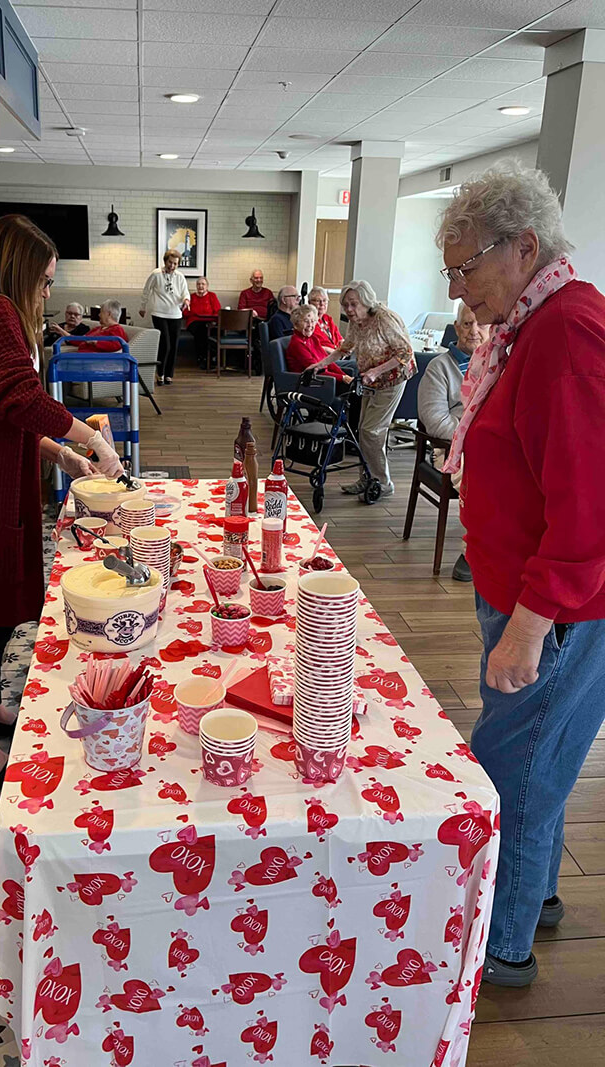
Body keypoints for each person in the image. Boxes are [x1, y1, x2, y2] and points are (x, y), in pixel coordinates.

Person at [436, 162, 605, 988]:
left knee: (511, 769)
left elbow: (588, 501)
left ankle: (500, 948)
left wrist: (533, 623)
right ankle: (533, 894)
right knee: (544, 756)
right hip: (524, 590)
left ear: (524, 247)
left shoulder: (567, 329)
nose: (459, 289)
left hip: (557, 606)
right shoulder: (528, 323)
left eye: (467, 268)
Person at [0, 215, 123, 786]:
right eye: (46, 280)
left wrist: (60, 456)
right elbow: (19, 396)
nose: (49, 292)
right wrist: (90, 439)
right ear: (21, 271)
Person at [317, 281, 414, 497]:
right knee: (363, 429)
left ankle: (382, 483)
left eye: (354, 304)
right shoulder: (356, 322)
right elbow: (344, 348)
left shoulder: (384, 319)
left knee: (372, 431)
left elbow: (405, 353)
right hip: (369, 380)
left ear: (366, 302)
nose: (349, 310)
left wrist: (376, 371)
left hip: (392, 379)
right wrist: (319, 365)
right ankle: (368, 478)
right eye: (346, 305)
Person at [418, 304, 488, 582]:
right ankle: (473, 552)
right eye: (467, 324)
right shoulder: (440, 367)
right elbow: (434, 420)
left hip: (494, 446)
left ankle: (507, 548)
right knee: (483, 481)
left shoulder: (499, 362)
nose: (474, 331)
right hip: (452, 450)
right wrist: (471, 440)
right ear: (457, 328)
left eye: (480, 324)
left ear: (491, 328)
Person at [139, 250, 190, 385]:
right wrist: (142, 307)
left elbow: (185, 292)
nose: (172, 266)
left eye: (175, 264)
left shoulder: (180, 277)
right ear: (165, 261)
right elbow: (146, 290)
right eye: (170, 262)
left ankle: (169, 375)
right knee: (165, 344)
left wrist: (186, 301)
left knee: (174, 346)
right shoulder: (156, 274)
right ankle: (160, 373)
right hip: (159, 313)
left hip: (175, 314)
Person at [285, 304, 353, 381]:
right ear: (296, 325)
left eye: (313, 321)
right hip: (310, 382)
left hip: (324, 378)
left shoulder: (313, 339)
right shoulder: (297, 344)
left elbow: (327, 361)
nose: (310, 325)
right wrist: (342, 378)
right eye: (306, 321)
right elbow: (314, 370)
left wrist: (345, 375)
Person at [184, 277, 221, 368]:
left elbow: (218, 311)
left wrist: (213, 321)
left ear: (207, 286)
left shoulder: (212, 296)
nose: (200, 286)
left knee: (207, 331)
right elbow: (185, 313)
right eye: (198, 284)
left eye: (203, 284)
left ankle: (203, 358)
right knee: (201, 330)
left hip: (209, 322)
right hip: (194, 322)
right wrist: (195, 313)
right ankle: (207, 358)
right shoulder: (191, 297)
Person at [308, 286, 343, 353]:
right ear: (309, 302)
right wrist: (330, 351)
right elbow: (310, 345)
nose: (322, 304)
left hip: (338, 354)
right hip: (323, 357)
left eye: (324, 300)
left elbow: (340, 339)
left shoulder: (327, 319)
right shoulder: (308, 321)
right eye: (318, 301)